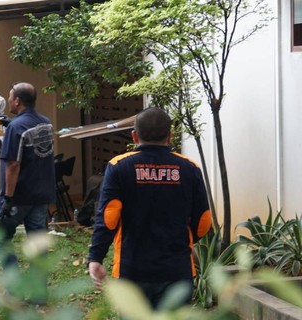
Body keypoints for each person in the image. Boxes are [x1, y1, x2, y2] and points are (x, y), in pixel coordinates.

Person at [87, 107, 212, 309]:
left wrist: (96, 257)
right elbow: (204, 222)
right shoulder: (189, 168)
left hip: (132, 270)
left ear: (134, 136)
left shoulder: (119, 166)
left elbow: (108, 218)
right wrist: (180, 240)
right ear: (170, 136)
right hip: (177, 270)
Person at [0, 82, 55, 302]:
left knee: (1, 239)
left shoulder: (16, 127)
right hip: (41, 195)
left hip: (19, 197)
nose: (8, 100)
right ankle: (39, 293)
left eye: (10, 97)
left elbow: (12, 165)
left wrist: (8, 198)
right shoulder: (46, 124)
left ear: (17, 100)